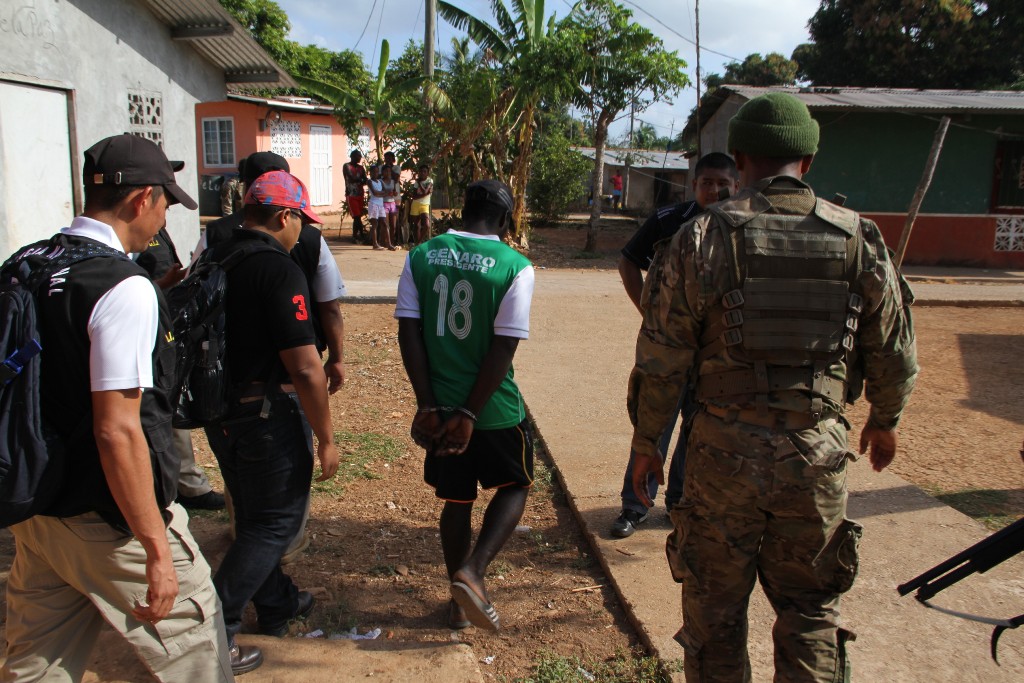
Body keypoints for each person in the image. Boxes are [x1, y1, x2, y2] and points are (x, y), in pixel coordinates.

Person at [628, 93, 918, 681]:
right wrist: (884, 419)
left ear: (738, 158)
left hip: (721, 458)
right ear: (807, 161)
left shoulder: (702, 237)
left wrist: (647, 442)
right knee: (811, 613)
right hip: (816, 455)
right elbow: (893, 349)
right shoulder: (859, 238)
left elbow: (662, 357)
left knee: (714, 614)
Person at [1, 133, 244, 680]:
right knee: (196, 650)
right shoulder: (122, 287)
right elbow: (117, 431)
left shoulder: (24, 264)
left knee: (36, 664)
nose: (164, 220)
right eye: (165, 204)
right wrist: (156, 546)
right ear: (141, 200)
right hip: (110, 520)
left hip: (40, 510)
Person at [202, 171, 340, 651]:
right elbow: (305, 367)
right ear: (284, 216)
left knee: (252, 515)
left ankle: (278, 602)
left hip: (221, 413)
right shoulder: (279, 269)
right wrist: (326, 438)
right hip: (266, 414)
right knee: (275, 522)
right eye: (301, 220)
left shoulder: (216, 256)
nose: (303, 230)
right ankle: (216, 629)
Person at [396, 179, 535, 632]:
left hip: (439, 408)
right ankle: (473, 572)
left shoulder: (421, 255)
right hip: (492, 411)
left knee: (456, 500)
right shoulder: (516, 266)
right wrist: (470, 414)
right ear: (505, 219)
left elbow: (409, 333)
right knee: (515, 485)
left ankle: (458, 606)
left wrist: (427, 405)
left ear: (463, 209)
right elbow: (503, 348)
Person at [610, 152, 739, 538]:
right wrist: (649, 313)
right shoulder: (669, 220)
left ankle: (680, 501)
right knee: (654, 423)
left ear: (736, 187)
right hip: (668, 350)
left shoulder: (743, 229)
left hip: (716, 353)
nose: (714, 190)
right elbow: (628, 260)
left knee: (698, 428)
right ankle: (634, 505)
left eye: (723, 184)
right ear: (693, 184)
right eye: (706, 183)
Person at [135, 227, 227, 512]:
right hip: (149, 330)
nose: (165, 211)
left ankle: (184, 481)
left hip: (166, 326)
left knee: (169, 402)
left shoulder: (156, 231)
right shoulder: (127, 240)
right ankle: (181, 484)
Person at [367, 164, 395, 251]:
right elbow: (375, 193)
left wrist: (381, 193)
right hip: (373, 204)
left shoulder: (379, 182)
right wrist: (382, 193)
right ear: (370, 173)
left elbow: (384, 192)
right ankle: (375, 244)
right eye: (373, 172)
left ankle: (389, 244)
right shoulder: (369, 181)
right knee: (375, 224)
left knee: (385, 223)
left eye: (376, 172)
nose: (375, 173)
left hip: (380, 204)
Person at [343, 150, 368, 243]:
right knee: (356, 216)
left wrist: (360, 180)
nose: (360, 158)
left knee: (358, 216)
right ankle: (360, 234)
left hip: (360, 194)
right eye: (358, 156)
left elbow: (365, 180)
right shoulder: (347, 166)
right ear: (352, 156)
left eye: (360, 156)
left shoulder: (361, 168)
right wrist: (361, 180)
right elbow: (351, 178)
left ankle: (356, 235)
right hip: (351, 194)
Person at [409, 164, 433, 244]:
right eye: (421, 171)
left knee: (427, 225)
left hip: (425, 205)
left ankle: (419, 242)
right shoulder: (416, 182)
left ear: (427, 173)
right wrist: (425, 194)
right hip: (416, 204)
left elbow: (425, 191)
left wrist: (419, 183)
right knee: (416, 225)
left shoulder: (430, 181)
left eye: (424, 171)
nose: (422, 173)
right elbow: (414, 196)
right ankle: (417, 243)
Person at [382, 164, 400, 248]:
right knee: (386, 224)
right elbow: (380, 193)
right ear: (382, 172)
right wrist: (387, 193)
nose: (388, 173)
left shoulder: (393, 181)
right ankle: (386, 242)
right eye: (386, 171)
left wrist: (394, 193)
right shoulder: (381, 182)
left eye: (389, 171)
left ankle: (391, 242)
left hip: (392, 203)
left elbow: (395, 192)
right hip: (384, 203)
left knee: (393, 225)